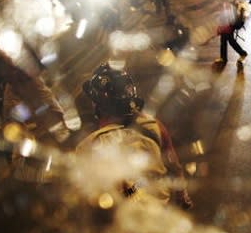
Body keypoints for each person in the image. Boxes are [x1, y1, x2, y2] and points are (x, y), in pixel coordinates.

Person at [77, 63, 192, 208]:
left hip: (124, 221)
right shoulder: (155, 126)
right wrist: (182, 196)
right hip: (161, 214)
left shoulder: (89, 146)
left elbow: (86, 197)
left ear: (98, 105)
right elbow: (175, 168)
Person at [214, 0, 248, 68]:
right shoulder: (228, 3)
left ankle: (241, 53)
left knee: (227, 40)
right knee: (227, 40)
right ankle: (225, 57)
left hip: (230, 24)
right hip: (229, 24)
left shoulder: (230, 4)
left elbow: (232, 16)